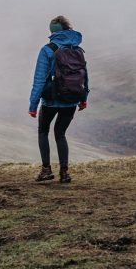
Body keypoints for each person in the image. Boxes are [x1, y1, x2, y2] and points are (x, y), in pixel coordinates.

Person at [29, 15, 88, 183]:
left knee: (43, 132)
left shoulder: (47, 50)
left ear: (52, 32)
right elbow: (84, 76)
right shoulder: (77, 49)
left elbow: (39, 80)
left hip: (51, 100)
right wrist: (83, 98)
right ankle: (64, 173)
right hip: (71, 99)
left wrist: (33, 105)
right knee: (61, 134)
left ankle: (46, 170)